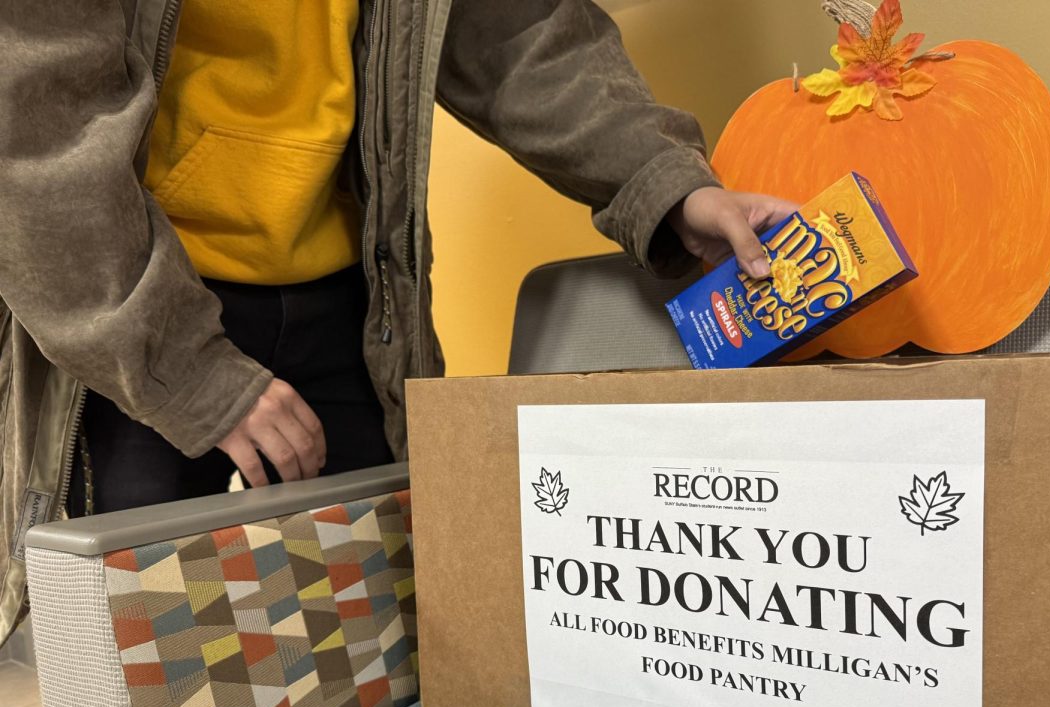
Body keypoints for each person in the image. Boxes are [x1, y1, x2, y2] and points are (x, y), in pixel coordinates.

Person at [0, 0, 796, 644]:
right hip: (139, 302)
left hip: (355, 297)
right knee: (156, 670)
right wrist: (186, 367)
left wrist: (666, 183)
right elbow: (33, 123)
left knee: (391, 632)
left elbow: (520, 29)